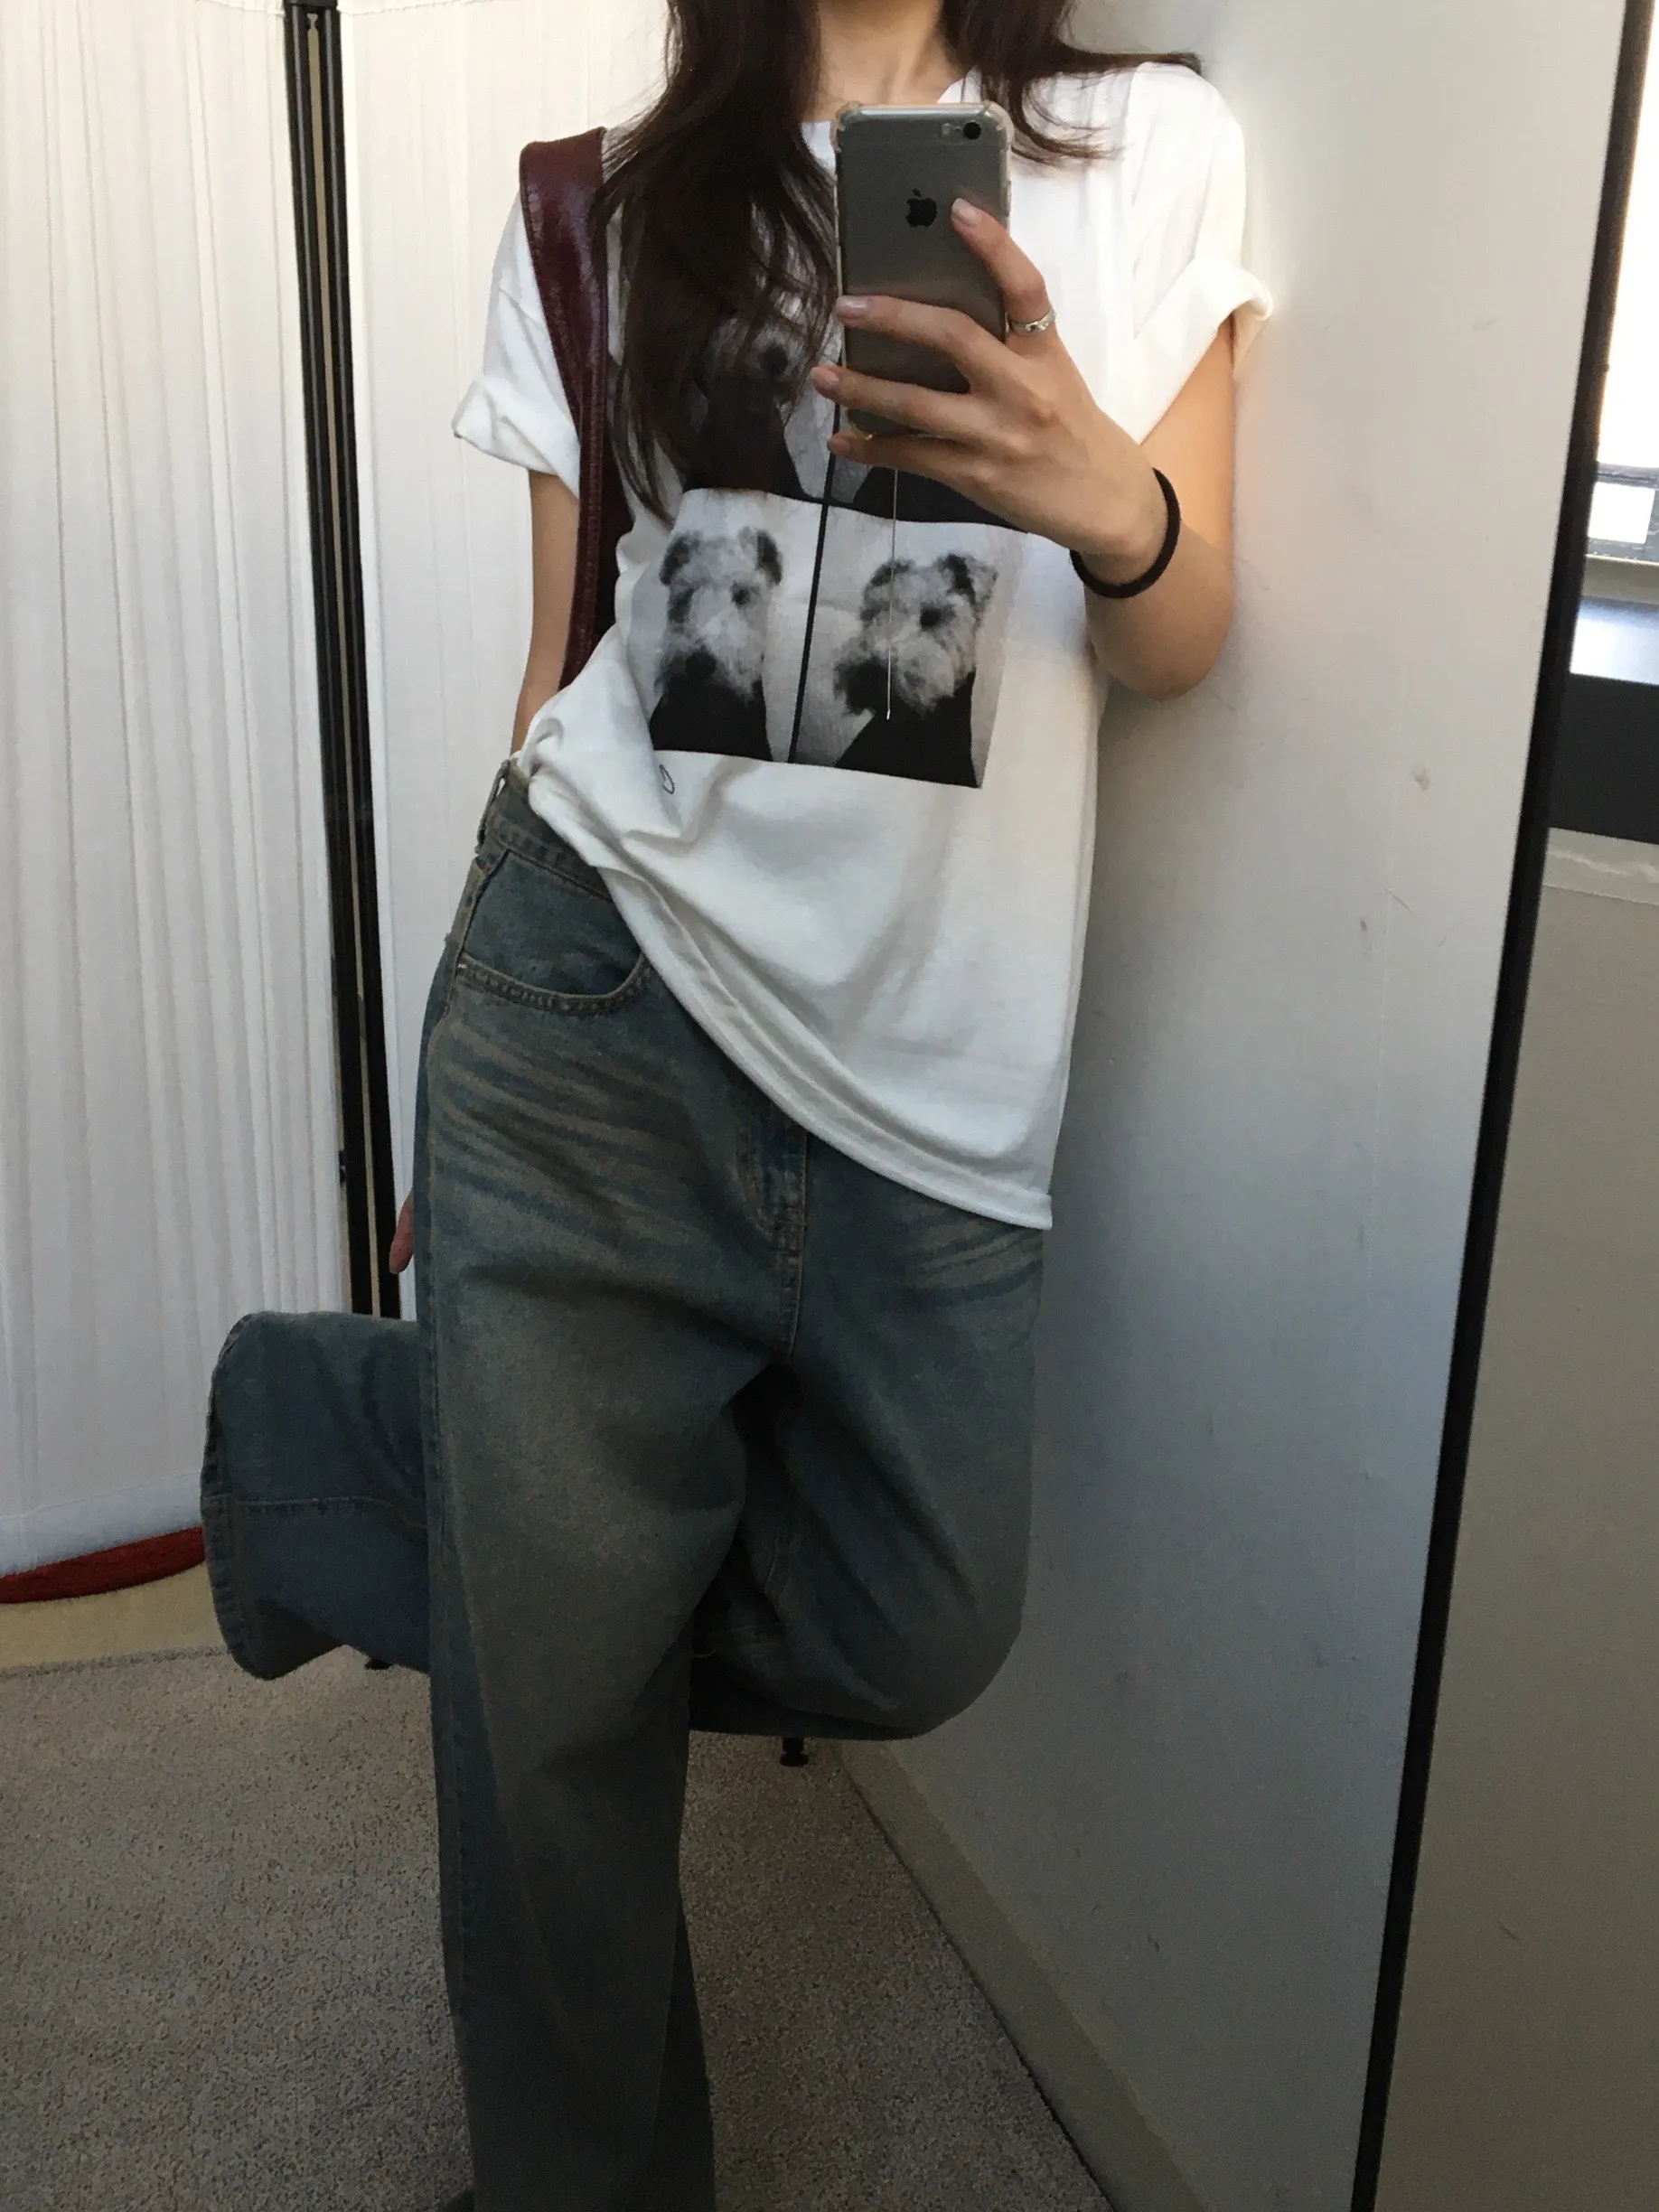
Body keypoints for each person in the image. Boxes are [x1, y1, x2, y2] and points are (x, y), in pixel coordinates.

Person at [199, 2, 1270, 2206]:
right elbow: (565, 667)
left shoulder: (1144, 149)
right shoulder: (603, 201)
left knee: (919, 1618)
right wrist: (461, 1029)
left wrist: (1106, 499)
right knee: (549, 1773)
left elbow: (1177, 638)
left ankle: (322, 1447)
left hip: (928, 1074)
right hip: (593, 997)